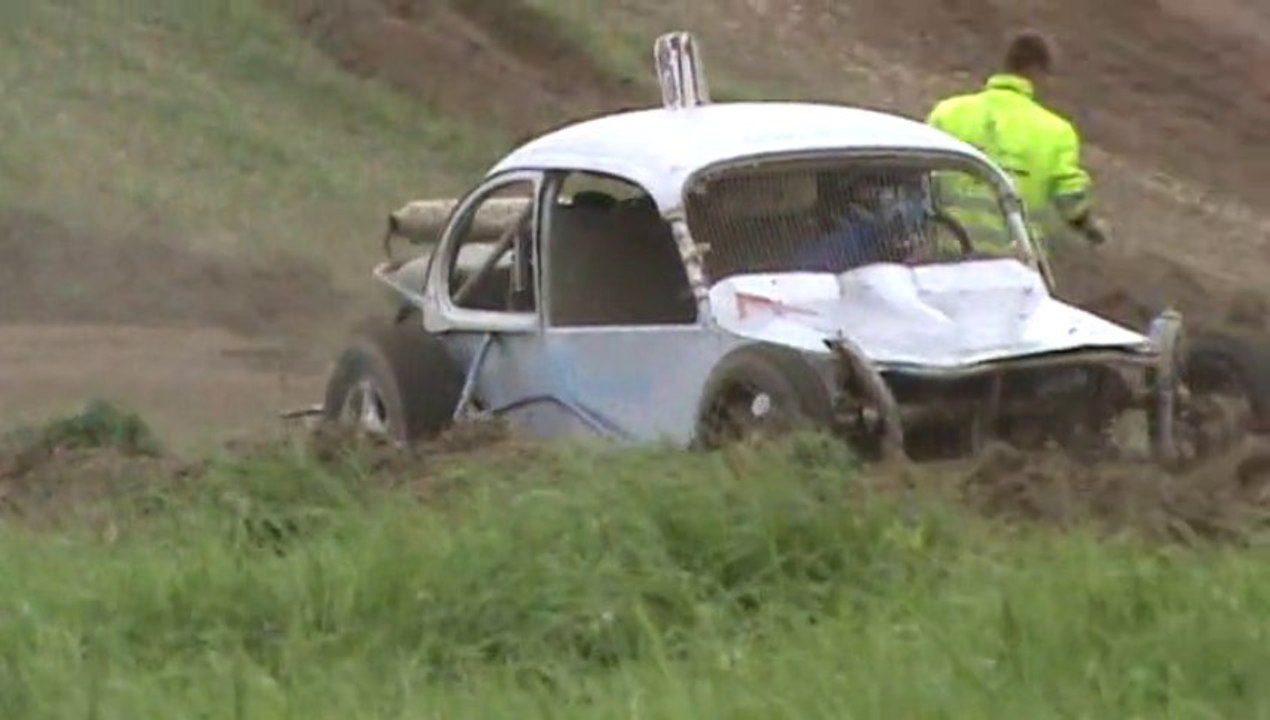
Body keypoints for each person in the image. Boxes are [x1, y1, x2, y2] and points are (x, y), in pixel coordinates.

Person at [925, 31, 1108, 251]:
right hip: (1013, 264)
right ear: (1038, 71)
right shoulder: (1056, 132)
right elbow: (1070, 199)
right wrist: (1092, 229)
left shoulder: (948, 113)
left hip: (948, 255)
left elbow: (917, 177)